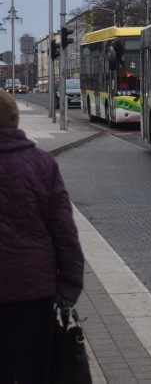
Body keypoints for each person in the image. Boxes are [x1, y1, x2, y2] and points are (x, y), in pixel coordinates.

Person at [0, 90, 85, 384]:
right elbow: (64, 231)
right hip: (33, 296)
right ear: (14, 120)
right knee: (34, 374)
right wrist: (69, 286)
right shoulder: (42, 164)